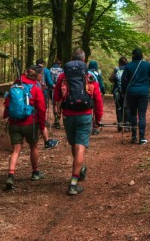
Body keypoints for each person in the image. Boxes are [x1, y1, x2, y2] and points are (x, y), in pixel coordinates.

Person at [53, 48, 104, 195]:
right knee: (80, 146)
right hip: (85, 115)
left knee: (74, 144)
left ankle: (80, 169)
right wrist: (98, 119)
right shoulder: (89, 77)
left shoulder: (63, 76)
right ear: (83, 60)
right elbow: (98, 100)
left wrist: (56, 111)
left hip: (68, 115)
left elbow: (56, 96)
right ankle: (74, 183)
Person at [3, 68, 47, 189]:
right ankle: (35, 172)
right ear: (35, 78)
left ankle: (10, 175)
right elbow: (42, 110)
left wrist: (6, 116)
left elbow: (6, 104)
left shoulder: (14, 88)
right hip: (30, 123)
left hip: (14, 123)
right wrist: (42, 126)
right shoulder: (36, 89)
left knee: (16, 150)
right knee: (34, 146)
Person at [120, 48, 150, 145]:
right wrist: (149, 85)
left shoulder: (128, 66)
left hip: (131, 92)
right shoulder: (147, 65)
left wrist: (123, 92)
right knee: (142, 115)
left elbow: (124, 81)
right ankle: (142, 137)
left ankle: (134, 136)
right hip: (144, 92)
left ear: (133, 56)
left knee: (132, 113)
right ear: (142, 55)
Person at [33, 63, 59, 149]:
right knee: (43, 109)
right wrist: (52, 86)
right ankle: (46, 139)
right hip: (42, 93)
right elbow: (49, 81)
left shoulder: (29, 75)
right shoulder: (46, 70)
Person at [109, 56, 130, 131]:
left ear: (119, 63)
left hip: (117, 92)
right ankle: (127, 125)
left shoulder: (117, 70)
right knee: (127, 107)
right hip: (127, 92)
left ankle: (120, 124)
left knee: (119, 107)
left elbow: (111, 79)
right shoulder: (129, 69)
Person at [87, 59, 104, 135]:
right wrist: (103, 92)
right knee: (95, 109)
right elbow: (101, 85)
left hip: (87, 93)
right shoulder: (97, 74)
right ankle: (95, 126)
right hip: (95, 92)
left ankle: (88, 125)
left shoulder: (86, 73)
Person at [49, 59, 63, 129]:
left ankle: (56, 120)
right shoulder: (62, 70)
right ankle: (58, 118)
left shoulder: (51, 70)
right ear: (60, 64)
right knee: (59, 104)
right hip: (60, 88)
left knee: (54, 104)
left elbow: (50, 80)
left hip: (53, 88)